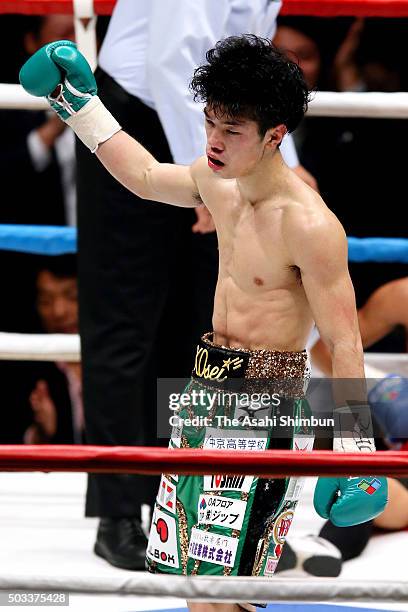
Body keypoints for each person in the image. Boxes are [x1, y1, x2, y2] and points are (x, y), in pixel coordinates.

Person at [20, 35, 388, 611]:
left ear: (275, 136)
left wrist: (354, 449)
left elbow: (344, 339)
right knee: (192, 583)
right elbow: (143, 176)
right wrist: (81, 107)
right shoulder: (219, 182)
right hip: (202, 390)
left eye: (232, 130)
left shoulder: (311, 226)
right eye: (211, 123)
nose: (213, 142)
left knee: (233, 592)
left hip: (265, 401)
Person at [75, 0, 317, 571]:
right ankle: (117, 513)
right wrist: (218, 173)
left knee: (195, 324)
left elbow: (256, 74)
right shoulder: (221, 156)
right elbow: (169, 61)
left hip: (219, 137)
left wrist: (278, 173)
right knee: (125, 326)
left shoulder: (313, 225)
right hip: (147, 115)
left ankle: (188, 509)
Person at [24, 255, 82, 445]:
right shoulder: (24, 363)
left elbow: (170, 431)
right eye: (46, 301)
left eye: (72, 296)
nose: (58, 311)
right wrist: (44, 433)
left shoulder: (134, 359)